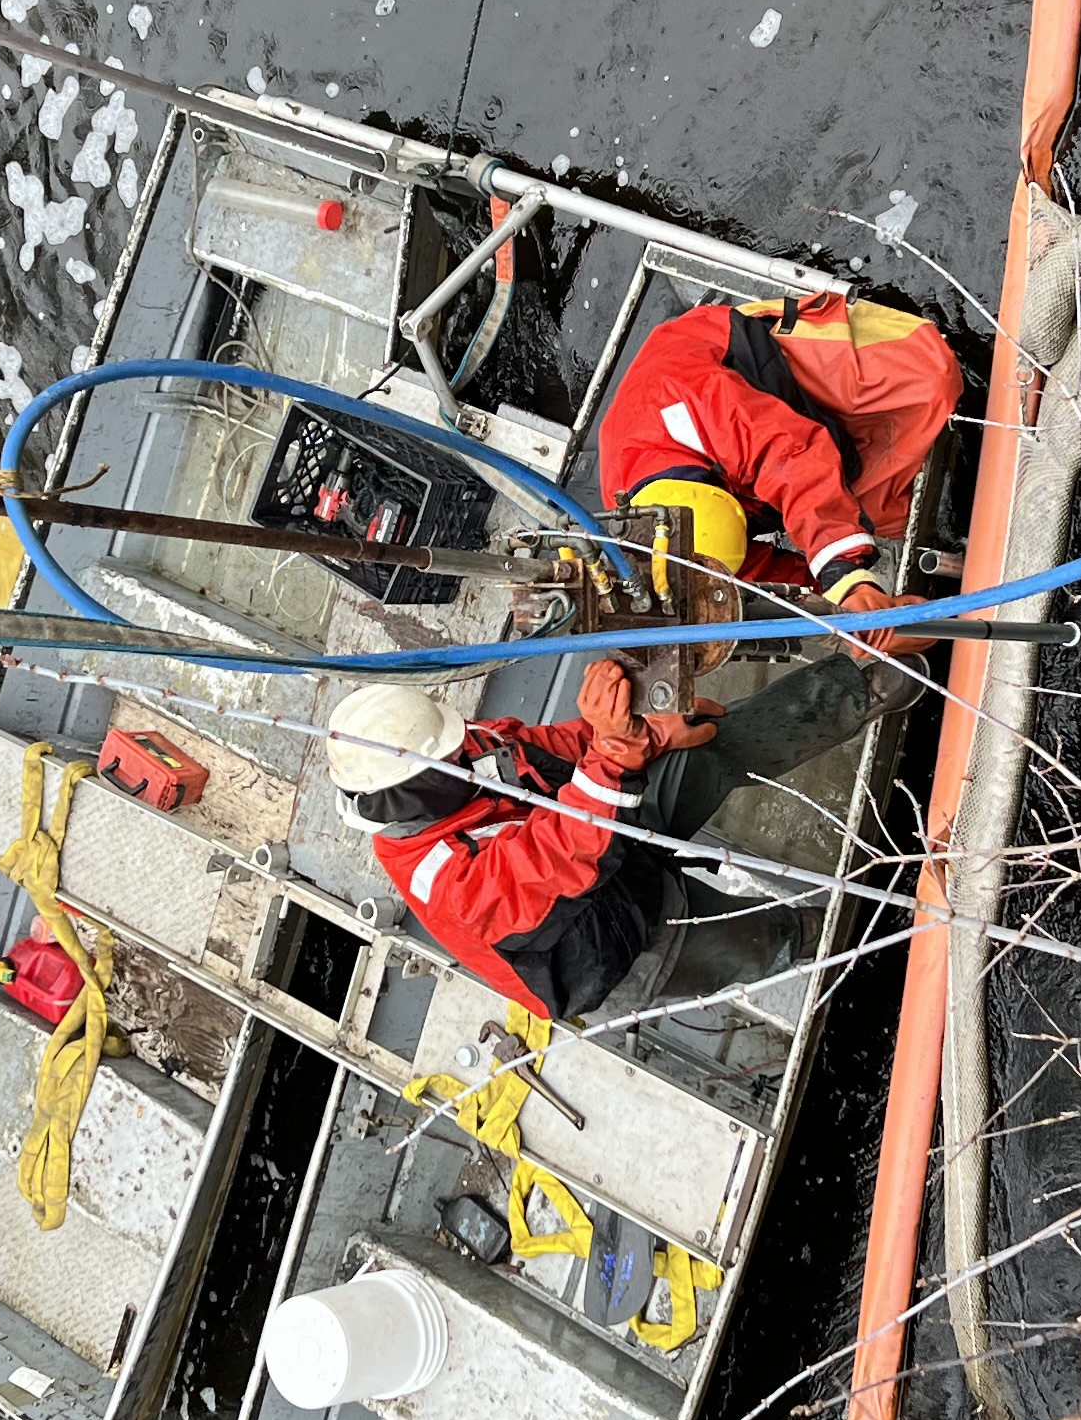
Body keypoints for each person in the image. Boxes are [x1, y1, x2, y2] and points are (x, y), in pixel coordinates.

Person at [325, 655, 880, 1022]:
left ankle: (859, 690)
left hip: (608, 837)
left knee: (709, 746)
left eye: (457, 744)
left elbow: (549, 750)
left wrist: (638, 730)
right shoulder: (442, 880)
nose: (462, 750)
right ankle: (849, 938)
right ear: (417, 788)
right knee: (756, 941)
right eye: (450, 757)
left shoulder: (452, 753)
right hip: (610, 947)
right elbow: (554, 861)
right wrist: (615, 755)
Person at [593, 294, 962, 653]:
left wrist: (845, 576)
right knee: (901, 513)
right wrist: (844, 617)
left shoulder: (695, 408)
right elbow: (765, 585)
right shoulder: (682, 560)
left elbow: (792, 457)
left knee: (931, 379)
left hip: (759, 365)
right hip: (745, 471)